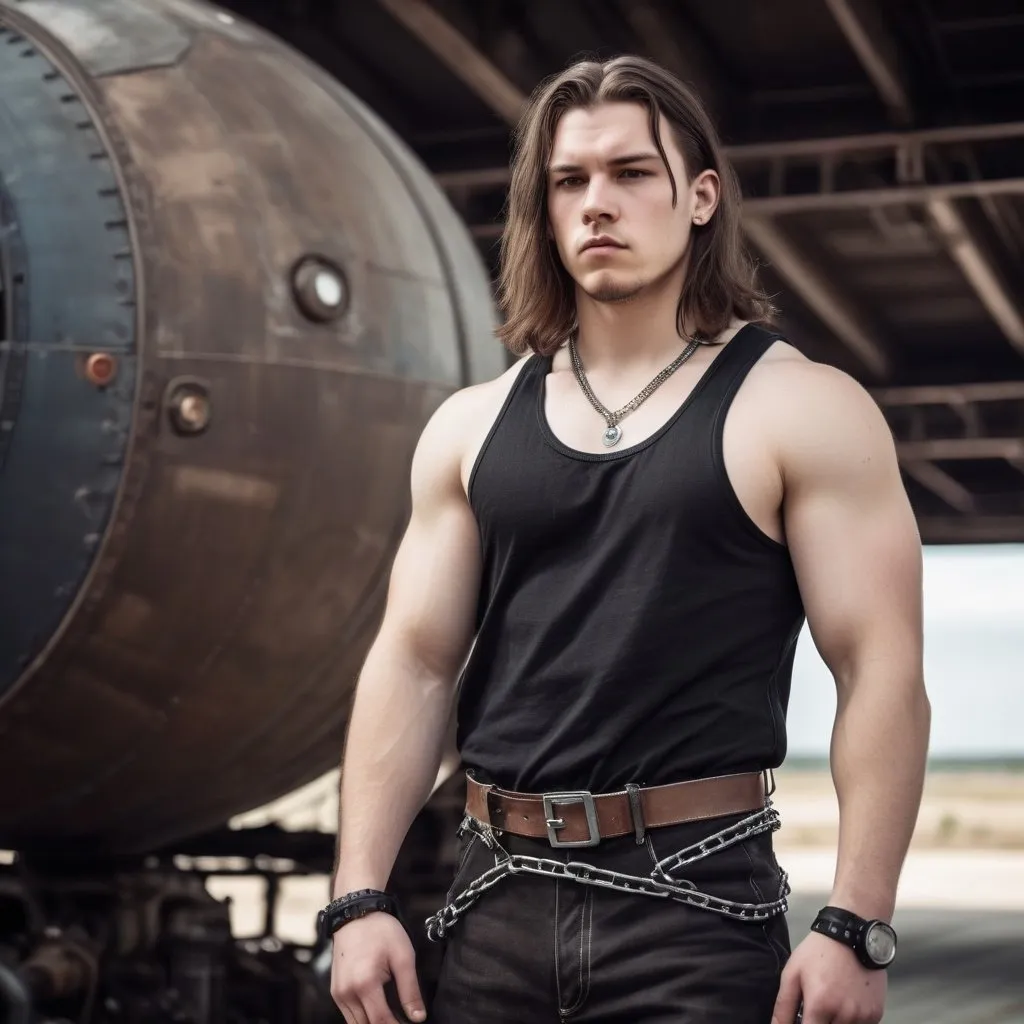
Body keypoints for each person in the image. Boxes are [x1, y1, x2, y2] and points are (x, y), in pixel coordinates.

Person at [323, 54, 931, 1024]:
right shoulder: (469, 427)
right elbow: (415, 662)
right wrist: (357, 896)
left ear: (699, 197)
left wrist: (857, 921)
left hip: (696, 906)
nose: (596, 202)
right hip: (491, 901)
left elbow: (878, 669)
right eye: (570, 180)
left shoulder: (803, 408)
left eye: (630, 173)